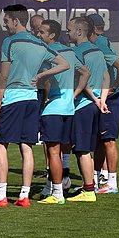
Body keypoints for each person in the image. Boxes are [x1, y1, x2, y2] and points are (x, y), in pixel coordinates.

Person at [0, 5, 69, 208]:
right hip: (32, 99)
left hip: (13, 97)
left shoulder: (9, 42)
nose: (5, 24)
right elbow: (64, 64)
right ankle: (24, 195)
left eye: (6, 21)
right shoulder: (39, 43)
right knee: (26, 146)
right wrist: (40, 75)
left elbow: (3, 75)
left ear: (15, 20)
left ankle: (1, 195)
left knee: (1, 143)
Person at [35, 19, 89, 205]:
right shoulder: (70, 52)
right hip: (68, 108)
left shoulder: (49, 54)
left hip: (54, 109)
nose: (38, 34)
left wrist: (47, 97)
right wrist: (74, 94)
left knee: (52, 152)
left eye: (42, 32)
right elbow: (86, 73)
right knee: (59, 151)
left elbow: (48, 81)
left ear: (52, 35)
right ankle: (55, 188)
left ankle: (57, 193)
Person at [67, 16, 111, 203]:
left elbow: (82, 81)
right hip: (94, 105)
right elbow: (106, 77)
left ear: (79, 32)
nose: (67, 33)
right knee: (86, 148)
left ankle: (88, 190)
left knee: (82, 149)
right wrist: (102, 99)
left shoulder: (76, 52)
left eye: (69, 30)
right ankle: (88, 184)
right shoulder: (97, 51)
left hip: (83, 105)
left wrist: (93, 97)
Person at [87, 12, 119, 194]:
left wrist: (113, 87)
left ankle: (111, 181)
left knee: (108, 139)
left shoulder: (100, 44)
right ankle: (97, 178)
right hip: (100, 95)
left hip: (109, 97)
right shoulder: (100, 42)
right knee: (98, 139)